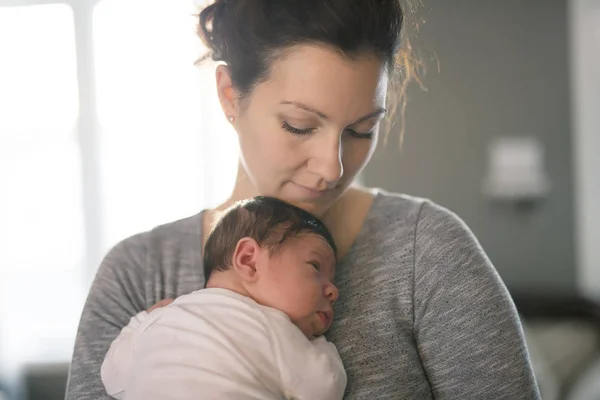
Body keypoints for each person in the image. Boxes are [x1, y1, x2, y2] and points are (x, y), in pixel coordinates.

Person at [66, 0, 541, 398]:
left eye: (361, 130)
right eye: (299, 125)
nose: (332, 168)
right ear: (231, 95)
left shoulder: (427, 253)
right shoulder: (137, 274)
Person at [100, 196, 346, 400]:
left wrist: (142, 320)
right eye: (316, 266)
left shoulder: (165, 317)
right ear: (249, 260)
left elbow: (112, 376)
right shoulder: (276, 328)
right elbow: (325, 387)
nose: (333, 291)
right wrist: (317, 344)